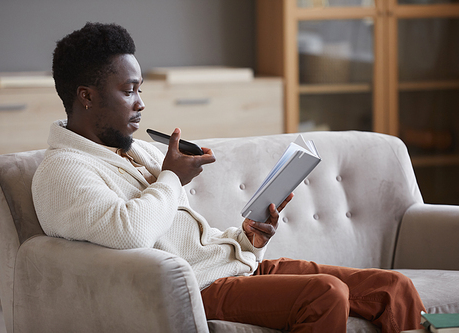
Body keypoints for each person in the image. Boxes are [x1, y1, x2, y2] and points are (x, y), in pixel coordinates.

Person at [32, 22, 425, 333]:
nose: (141, 103)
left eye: (140, 90)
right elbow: (129, 232)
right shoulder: (63, 171)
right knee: (325, 294)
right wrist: (170, 178)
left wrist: (249, 238)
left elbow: (190, 238)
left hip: (233, 266)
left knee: (394, 289)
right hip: (197, 289)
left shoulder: (138, 151)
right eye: (129, 91)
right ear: (86, 96)